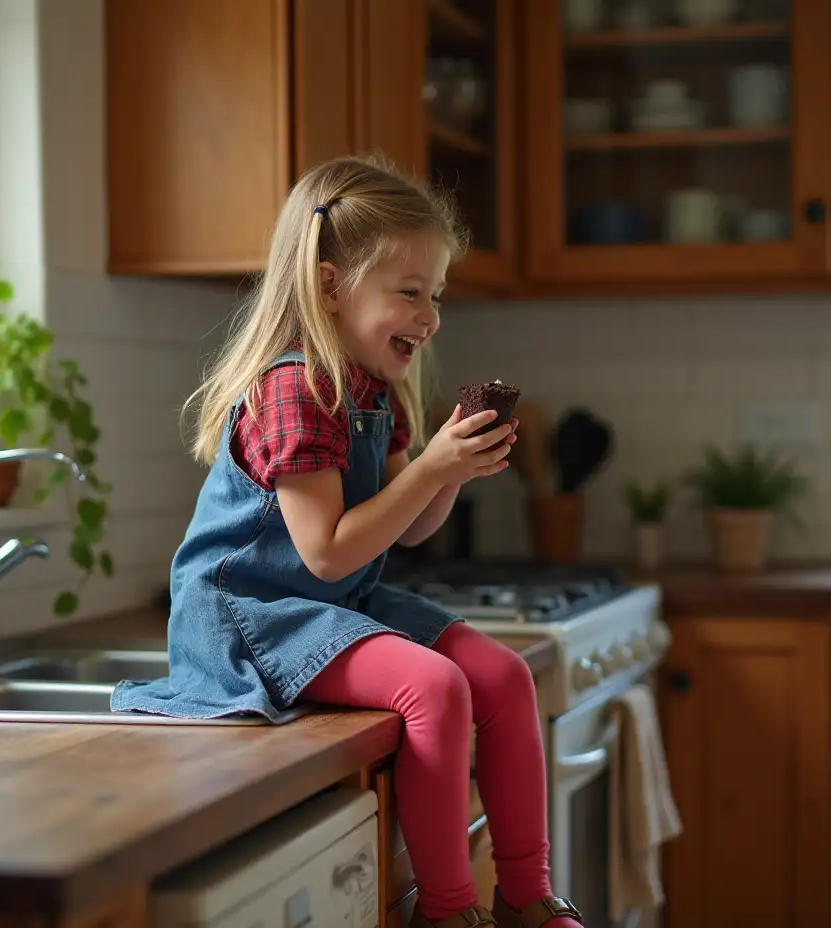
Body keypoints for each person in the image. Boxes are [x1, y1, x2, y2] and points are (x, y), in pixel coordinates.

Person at [112, 155, 584, 928]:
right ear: (330, 284)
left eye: (435, 294)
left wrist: (449, 474)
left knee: (503, 678)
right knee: (435, 689)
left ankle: (527, 895)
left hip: (335, 601)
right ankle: (447, 910)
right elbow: (326, 549)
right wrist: (429, 466)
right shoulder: (293, 390)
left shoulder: (375, 390)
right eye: (409, 291)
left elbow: (412, 529)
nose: (429, 315)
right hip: (254, 614)